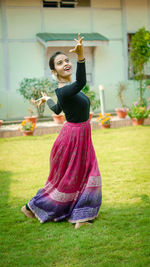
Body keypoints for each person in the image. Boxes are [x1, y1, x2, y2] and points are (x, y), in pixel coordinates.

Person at [21, 33, 102, 229]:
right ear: (53, 71)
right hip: (72, 138)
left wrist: (46, 100)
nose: (66, 63)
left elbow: (58, 109)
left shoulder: (65, 89)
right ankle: (32, 207)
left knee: (85, 175)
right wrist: (81, 56)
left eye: (67, 60)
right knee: (71, 179)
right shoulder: (68, 89)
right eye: (60, 63)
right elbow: (81, 82)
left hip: (80, 136)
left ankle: (80, 217)